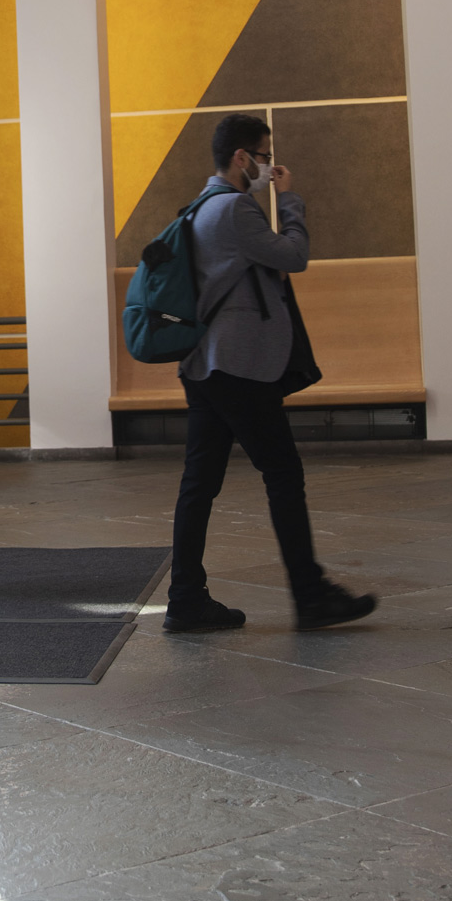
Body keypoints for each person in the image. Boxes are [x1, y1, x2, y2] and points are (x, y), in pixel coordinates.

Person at [165, 114, 377, 633]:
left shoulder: (197, 209)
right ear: (241, 158)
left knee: (199, 484)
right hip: (238, 366)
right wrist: (290, 199)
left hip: (205, 365)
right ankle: (310, 596)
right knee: (283, 474)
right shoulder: (236, 207)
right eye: (262, 156)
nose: (267, 165)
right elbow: (295, 255)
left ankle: (185, 598)